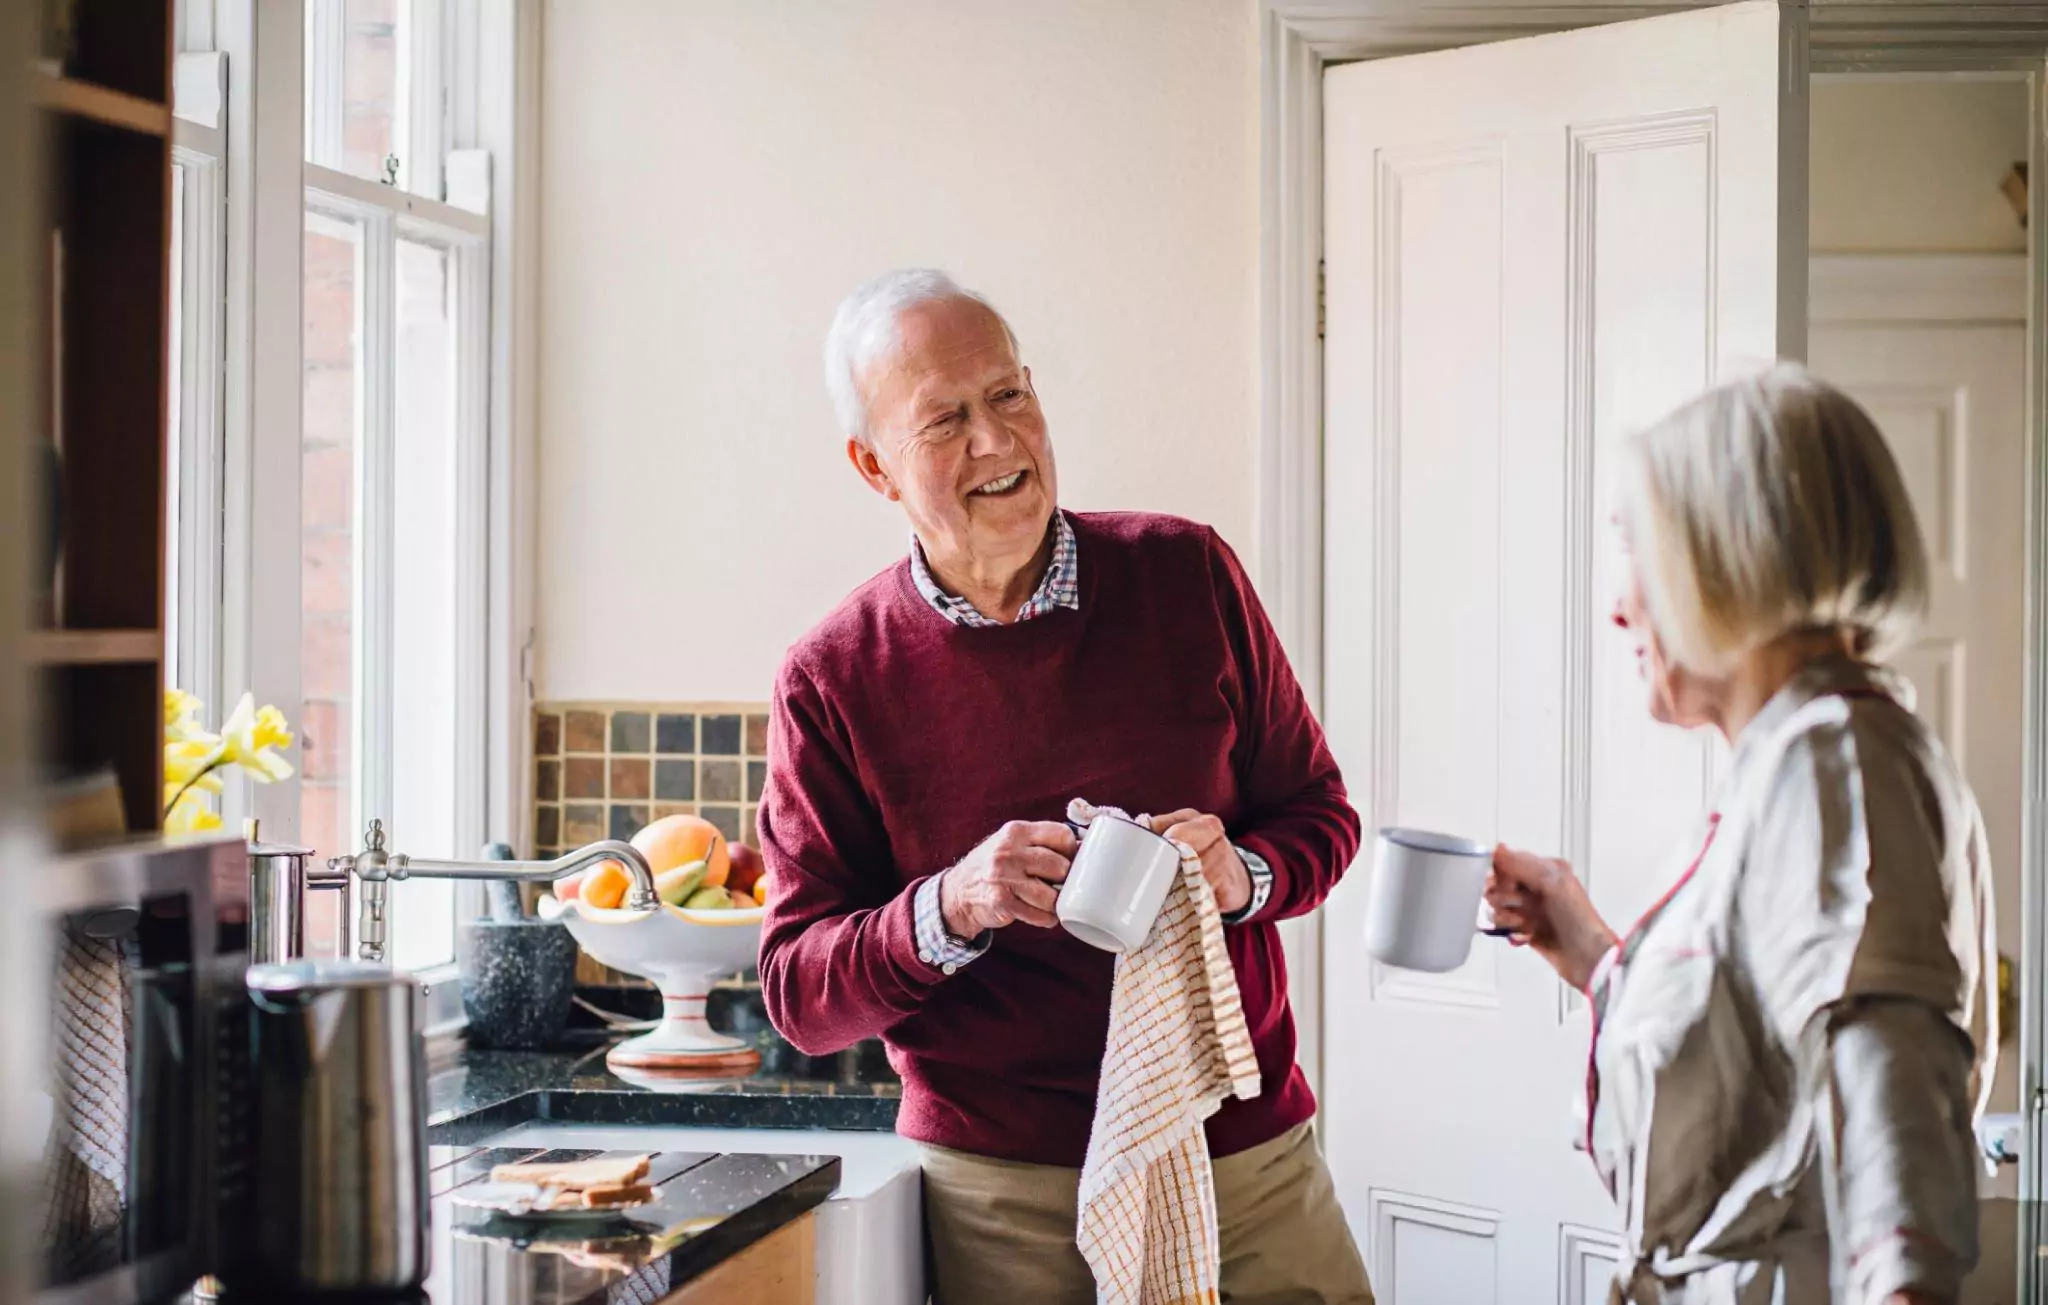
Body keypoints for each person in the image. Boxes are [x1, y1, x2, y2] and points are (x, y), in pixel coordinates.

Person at [756, 268, 1374, 1304]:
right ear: (874, 467)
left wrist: (1244, 875)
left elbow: (1320, 815)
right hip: (1003, 1193)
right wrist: (947, 908)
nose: (995, 442)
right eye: (945, 420)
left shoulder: (1187, 575)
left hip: (1244, 1161)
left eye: (1008, 395)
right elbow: (797, 994)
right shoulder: (831, 678)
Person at [1486, 364, 1996, 1305]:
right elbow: (1757, 1088)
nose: (1619, 605)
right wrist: (1595, 954)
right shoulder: (1797, 763)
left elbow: (1896, 1137)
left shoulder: (1836, 763)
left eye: (1636, 548)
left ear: (1727, 553)